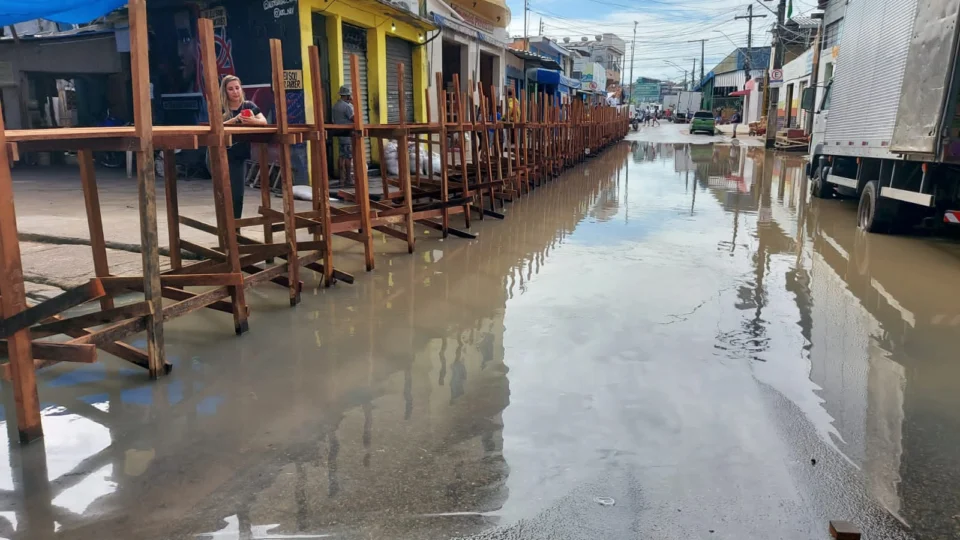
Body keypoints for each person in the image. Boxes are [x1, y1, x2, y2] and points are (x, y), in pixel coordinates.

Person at [221, 75, 267, 219]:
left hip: (239, 155)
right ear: (225, 92)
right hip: (220, 153)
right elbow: (214, 126)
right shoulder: (220, 107)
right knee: (223, 192)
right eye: (230, 89)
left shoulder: (248, 106)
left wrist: (252, 120)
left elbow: (264, 121)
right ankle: (227, 225)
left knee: (237, 193)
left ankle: (235, 226)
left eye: (237, 88)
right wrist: (233, 120)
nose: (235, 91)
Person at [331, 85, 355, 186]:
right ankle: (348, 179)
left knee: (341, 156)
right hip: (347, 134)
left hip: (339, 134)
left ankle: (341, 179)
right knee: (348, 157)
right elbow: (354, 119)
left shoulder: (335, 106)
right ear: (347, 96)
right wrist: (355, 105)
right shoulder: (347, 106)